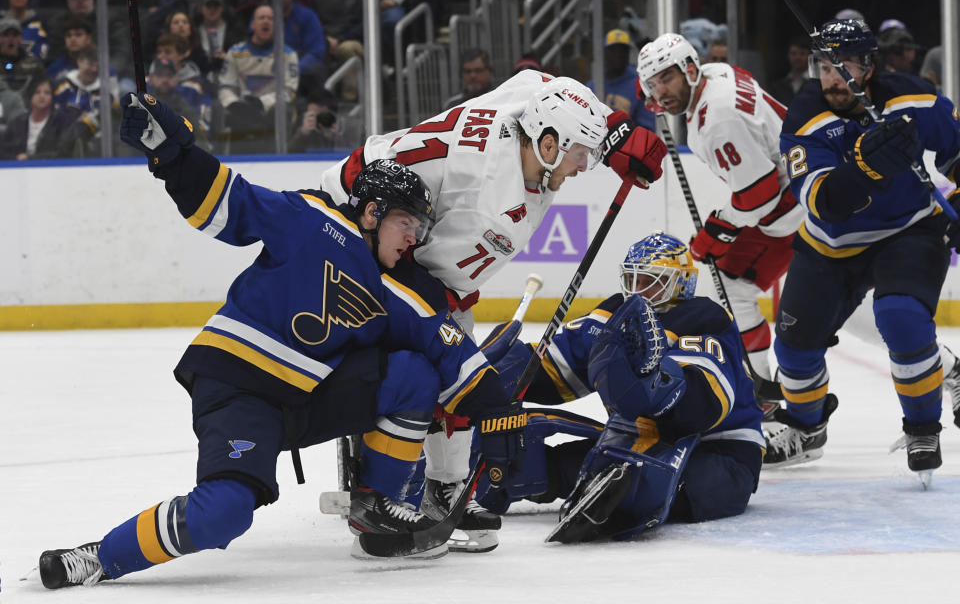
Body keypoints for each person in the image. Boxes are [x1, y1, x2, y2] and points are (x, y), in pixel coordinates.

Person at [36, 92, 516, 588]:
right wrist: (173, 153)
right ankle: (97, 556)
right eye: (407, 223)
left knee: (414, 371)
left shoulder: (404, 285)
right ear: (372, 212)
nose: (414, 238)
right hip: (239, 388)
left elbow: (452, 352)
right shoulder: (311, 219)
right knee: (223, 513)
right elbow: (229, 201)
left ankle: (374, 508)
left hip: (305, 400)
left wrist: (503, 418)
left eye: (420, 229)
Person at [319, 70, 669, 550]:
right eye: (579, 154)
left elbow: (541, 79)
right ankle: (382, 495)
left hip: (381, 192)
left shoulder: (529, 108)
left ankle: (445, 489)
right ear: (548, 145)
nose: (586, 166)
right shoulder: (492, 207)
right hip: (352, 228)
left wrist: (615, 130)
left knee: (455, 364)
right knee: (431, 369)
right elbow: (429, 282)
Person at [767, 18, 960, 485]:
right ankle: (806, 427)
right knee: (792, 351)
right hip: (829, 248)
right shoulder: (805, 117)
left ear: (869, 65)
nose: (832, 78)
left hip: (907, 233)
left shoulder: (911, 97)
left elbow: (956, 148)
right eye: (823, 67)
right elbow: (826, 204)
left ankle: (921, 428)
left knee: (901, 318)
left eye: (843, 66)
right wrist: (864, 167)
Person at [474, 232, 764, 541]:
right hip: (641, 441)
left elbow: (705, 404)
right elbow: (560, 366)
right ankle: (489, 478)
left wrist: (656, 384)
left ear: (681, 283)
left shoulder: (704, 318)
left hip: (721, 451)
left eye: (651, 281)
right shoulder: (614, 316)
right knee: (545, 460)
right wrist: (505, 372)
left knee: (698, 484)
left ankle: (632, 496)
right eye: (632, 279)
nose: (639, 291)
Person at [637, 32, 802, 394]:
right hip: (800, 188)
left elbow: (760, 196)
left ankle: (758, 392)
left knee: (830, 309)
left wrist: (718, 229)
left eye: (667, 78)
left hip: (796, 207)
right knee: (735, 284)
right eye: (651, 84)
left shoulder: (718, 120)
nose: (660, 92)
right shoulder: (717, 74)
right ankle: (759, 387)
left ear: (690, 69)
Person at [218, 3, 298, 154]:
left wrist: (262, 102)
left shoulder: (288, 54)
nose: (266, 21)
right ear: (253, 24)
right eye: (261, 18)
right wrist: (233, 103)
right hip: (241, 112)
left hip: (271, 112)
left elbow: (289, 91)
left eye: (270, 18)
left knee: (283, 112)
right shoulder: (236, 53)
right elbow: (225, 87)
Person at [311, 0, 363, 101]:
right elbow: (315, 24)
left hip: (354, 41)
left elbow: (363, 26)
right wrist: (327, 40)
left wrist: (340, 40)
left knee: (347, 48)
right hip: (326, 40)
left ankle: (349, 99)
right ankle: (319, 99)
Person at [587, 28, 655, 132]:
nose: (618, 55)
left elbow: (646, 129)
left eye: (622, 50)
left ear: (628, 54)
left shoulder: (639, 85)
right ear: (605, 53)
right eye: (613, 50)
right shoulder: (594, 85)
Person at [0, 75, 75, 159]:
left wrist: (30, 158)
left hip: (51, 169)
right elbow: (3, 152)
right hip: (17, 169)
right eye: (37, 92)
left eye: (47, 93)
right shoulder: (17, 123)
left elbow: (63, 153)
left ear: (53, 97)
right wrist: (16, 158)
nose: (42, 96)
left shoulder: (62, 121)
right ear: (30, 95)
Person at [768, 36, 809, 107]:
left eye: (802, 54)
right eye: (793, 53)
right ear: (788, 56)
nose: (797, 57)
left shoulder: (818, 85)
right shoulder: (777, 86)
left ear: (809, 56)